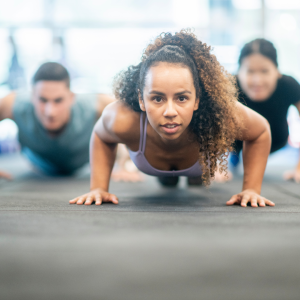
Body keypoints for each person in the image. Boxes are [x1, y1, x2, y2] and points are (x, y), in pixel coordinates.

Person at [69, 30, 275, 208]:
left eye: (182, 98)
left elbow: (261, 131)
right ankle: (169, 178)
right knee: (168, 180)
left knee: (198, 177)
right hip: (157, 163)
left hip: (199, 165)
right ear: (141, 99)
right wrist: (98, 187)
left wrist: (251, 189)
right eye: (157, 98)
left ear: (197, 100)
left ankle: (194, 176)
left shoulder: (224, 114)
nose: (170, 111)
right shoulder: (121, 118)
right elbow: (100, 135)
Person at [0, 62, 115, 176]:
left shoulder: (95, 105)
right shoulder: (13, 104)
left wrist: (124, 164)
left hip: (83, 165)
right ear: (32, 97)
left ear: (71, 97)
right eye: (43, 100)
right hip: (39, 166)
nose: (50, 112)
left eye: (58, 100)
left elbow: (129, 117)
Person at [222, 39, 300, 183]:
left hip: (276, 140)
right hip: (236, 141)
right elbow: (207, 124)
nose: (257, 80)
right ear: (238, 72)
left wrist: (299, 168)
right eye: (250, 71)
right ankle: (235, 156)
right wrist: (213, 167)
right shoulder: (228, 86)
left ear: (277, 71)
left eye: (264, 71)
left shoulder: (289, 85)